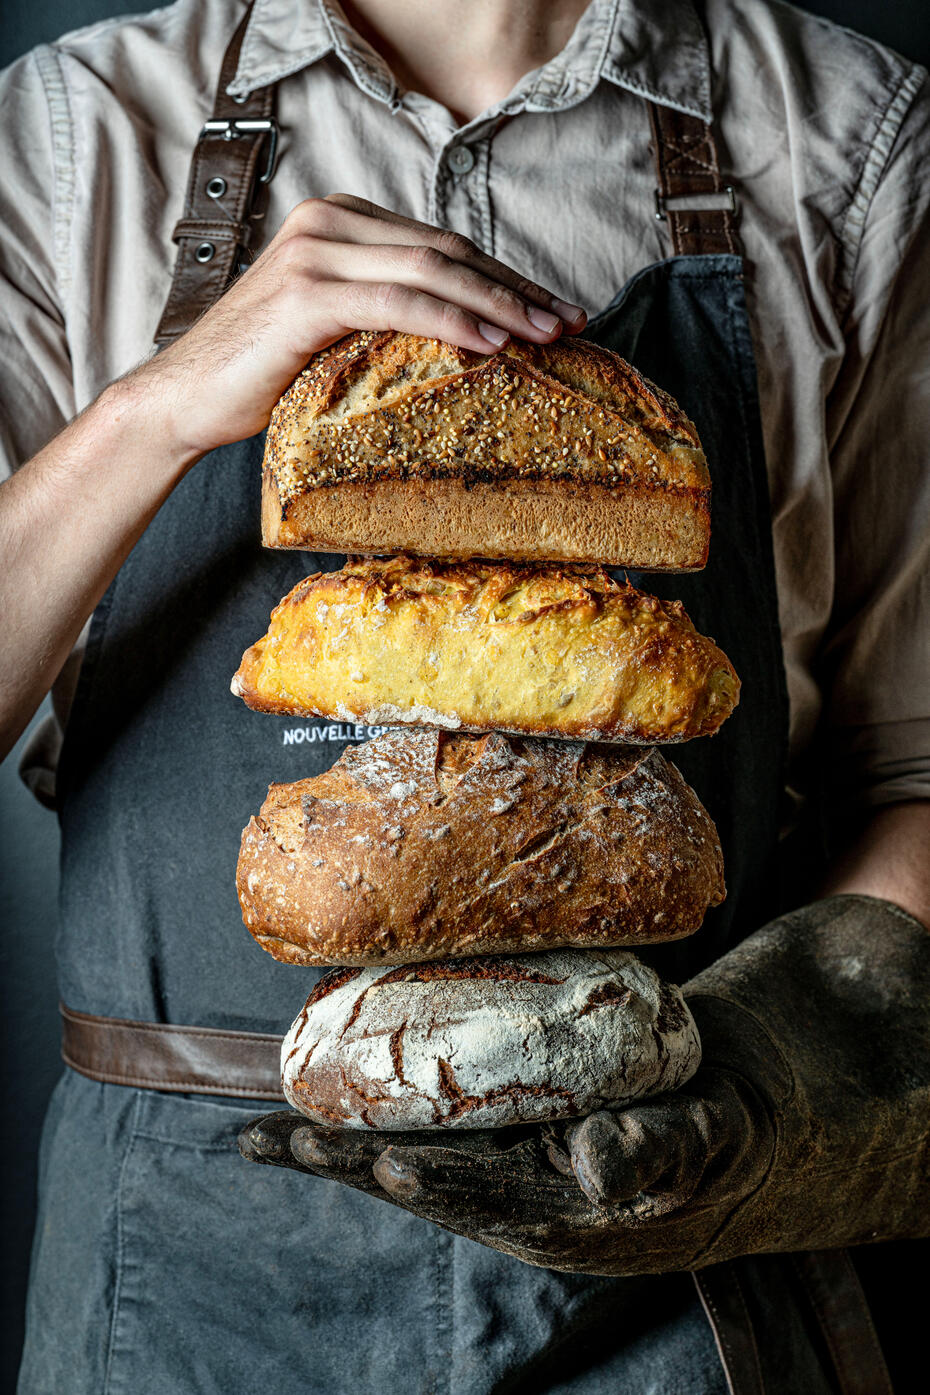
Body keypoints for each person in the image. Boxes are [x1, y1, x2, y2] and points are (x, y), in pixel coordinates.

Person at [2, 0, 929, 1390]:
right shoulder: (75, 129)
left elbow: (914, 770)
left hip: (672, 1222)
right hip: (184, 1260)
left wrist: (765, 1092)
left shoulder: (843, 135)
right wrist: (161, 407)